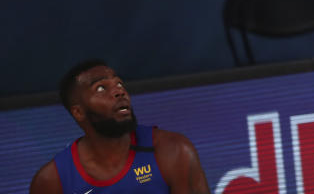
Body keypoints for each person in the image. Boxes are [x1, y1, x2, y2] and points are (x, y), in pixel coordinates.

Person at [29, 60, 211, 194]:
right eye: (101, 88)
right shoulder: (53, 181)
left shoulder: (172, 150)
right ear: (78, 112)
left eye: (119, 84)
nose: (119, 91)